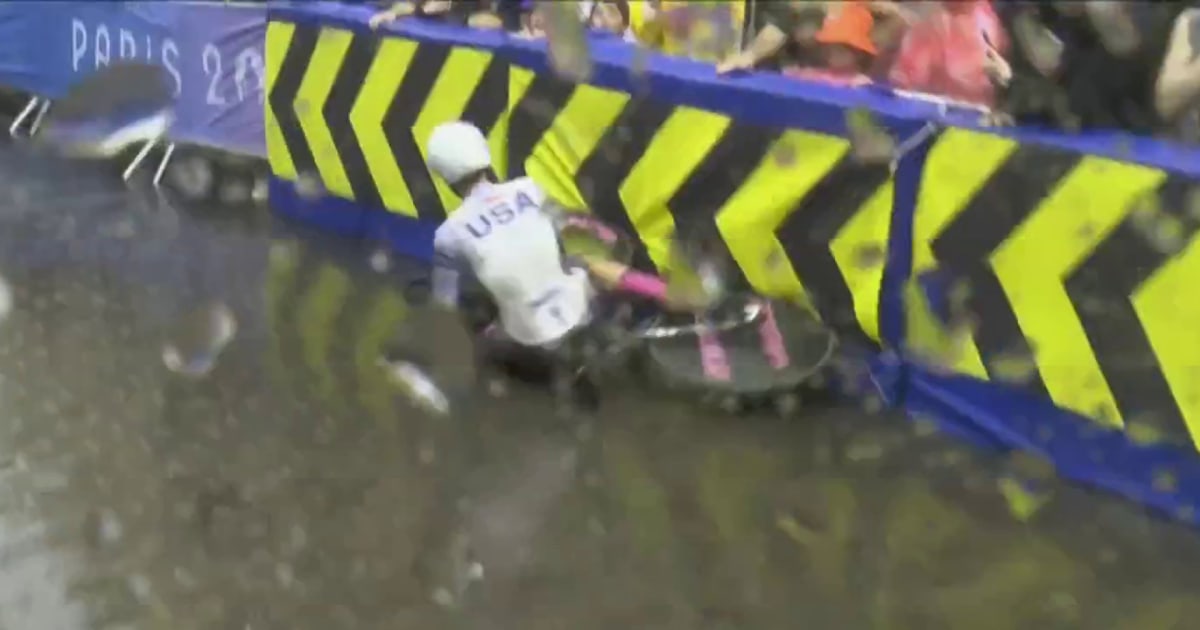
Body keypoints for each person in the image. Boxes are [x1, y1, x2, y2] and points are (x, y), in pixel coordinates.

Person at [424, 121, 700, 403]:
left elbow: (443, 308)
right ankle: (671, 294)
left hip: (534, 347)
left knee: (472, 313)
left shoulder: (449, 235)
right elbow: (569, 227)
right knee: (582, 262)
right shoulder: (529, 189)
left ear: (443, 176)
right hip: (586, 320)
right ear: (484, 155)